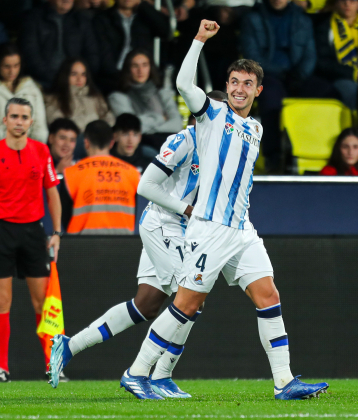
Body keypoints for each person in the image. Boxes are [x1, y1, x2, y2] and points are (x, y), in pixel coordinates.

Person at [113, 20, 329, 400]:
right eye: (233, 81)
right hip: (209, 226)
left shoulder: (257, 129)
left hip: (242, 229)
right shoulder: (211, 114)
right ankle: (136, 373)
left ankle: (284, 382)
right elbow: (183, 85)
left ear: (258, 90)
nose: (238, 89)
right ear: (226, 86)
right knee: (187, 302)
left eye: (247, 83)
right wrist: (198, 40)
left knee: (269, 296)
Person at [48, 91, 226, 395]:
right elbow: (147, 186)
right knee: (193, 298)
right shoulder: (183, 141)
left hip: (180, 231)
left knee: (146, 305)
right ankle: (157, 376)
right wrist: (186, 209)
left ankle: (68, 346)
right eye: (221, 115)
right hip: (163, 226)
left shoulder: (219, 148)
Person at [0, 97, 63, 383]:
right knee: (1, 302)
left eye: (24, 117)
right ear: (5, 120)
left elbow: (52, 193)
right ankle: (1, 368)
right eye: (14, 116)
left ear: (31, 121)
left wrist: (57, 232)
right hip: (0, 232)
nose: (19, 122)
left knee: (41, 303)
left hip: (34, 232)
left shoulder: (42, 151)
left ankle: (52, 365)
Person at [239, 0, 316, 173]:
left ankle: (312, 154)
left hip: (297, 76)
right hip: (268, 75)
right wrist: (281, 73)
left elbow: (310, 55)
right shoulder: (252, 19)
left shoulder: (303, 19)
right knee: (270, 98)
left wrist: (299, 75)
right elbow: (252, 56)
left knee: (326, 92)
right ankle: (273, 159)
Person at [58, 120, 140, 235]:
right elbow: (136, 214)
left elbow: (64, 217)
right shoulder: (132, 173)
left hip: (80, 247)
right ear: (111, 143)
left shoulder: (71, 174)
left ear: (86, 143)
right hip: (122, 247)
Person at [0, 42, 49, 145]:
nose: (12, 71)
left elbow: (39, 125)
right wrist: (13, 143)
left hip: (30, 151)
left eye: (16, 65)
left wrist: (34, 147)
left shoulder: (31, 87)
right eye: (7, 66)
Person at [312, 0, 358, 109]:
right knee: (355, 92)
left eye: (352, 1)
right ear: (336, 3)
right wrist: (352, 73)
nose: (347, 4)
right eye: (343, 0)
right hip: (339, 78)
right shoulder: (324, 28)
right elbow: (322, 63)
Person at [108, 49, 183, 145]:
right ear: (128, 69)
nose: (140, 70)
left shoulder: (162, 92)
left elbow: (177, 124)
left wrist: (151, 129)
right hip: (140, 146)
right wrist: (161, 118)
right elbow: (130, 127)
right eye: (135, 66)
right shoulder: (117, 97)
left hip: (168, 144)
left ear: (150, 67)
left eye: (145, 65)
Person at [20, 0, 100, 89]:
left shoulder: (82, 19)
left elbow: (92, 55)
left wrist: (82, 77)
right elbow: (31, 55)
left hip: (76, 81)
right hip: (43, 81)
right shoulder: (33, 18)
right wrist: (58, 79)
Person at [92, 0, 169, 86]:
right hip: (114, 78)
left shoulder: (145, 16)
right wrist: (118, 77)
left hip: (143, 76)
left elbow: (166, 31)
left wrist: (143, 5)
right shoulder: (103, 18)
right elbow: (104, 55)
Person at [45, 58, 115, 134]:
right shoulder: (53, 99)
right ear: (65, 76)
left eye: (83, 74)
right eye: (74, 74)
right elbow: (58, 124)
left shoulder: (95, 96)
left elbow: (108, 117)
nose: (79, 79)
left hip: (97, 139)